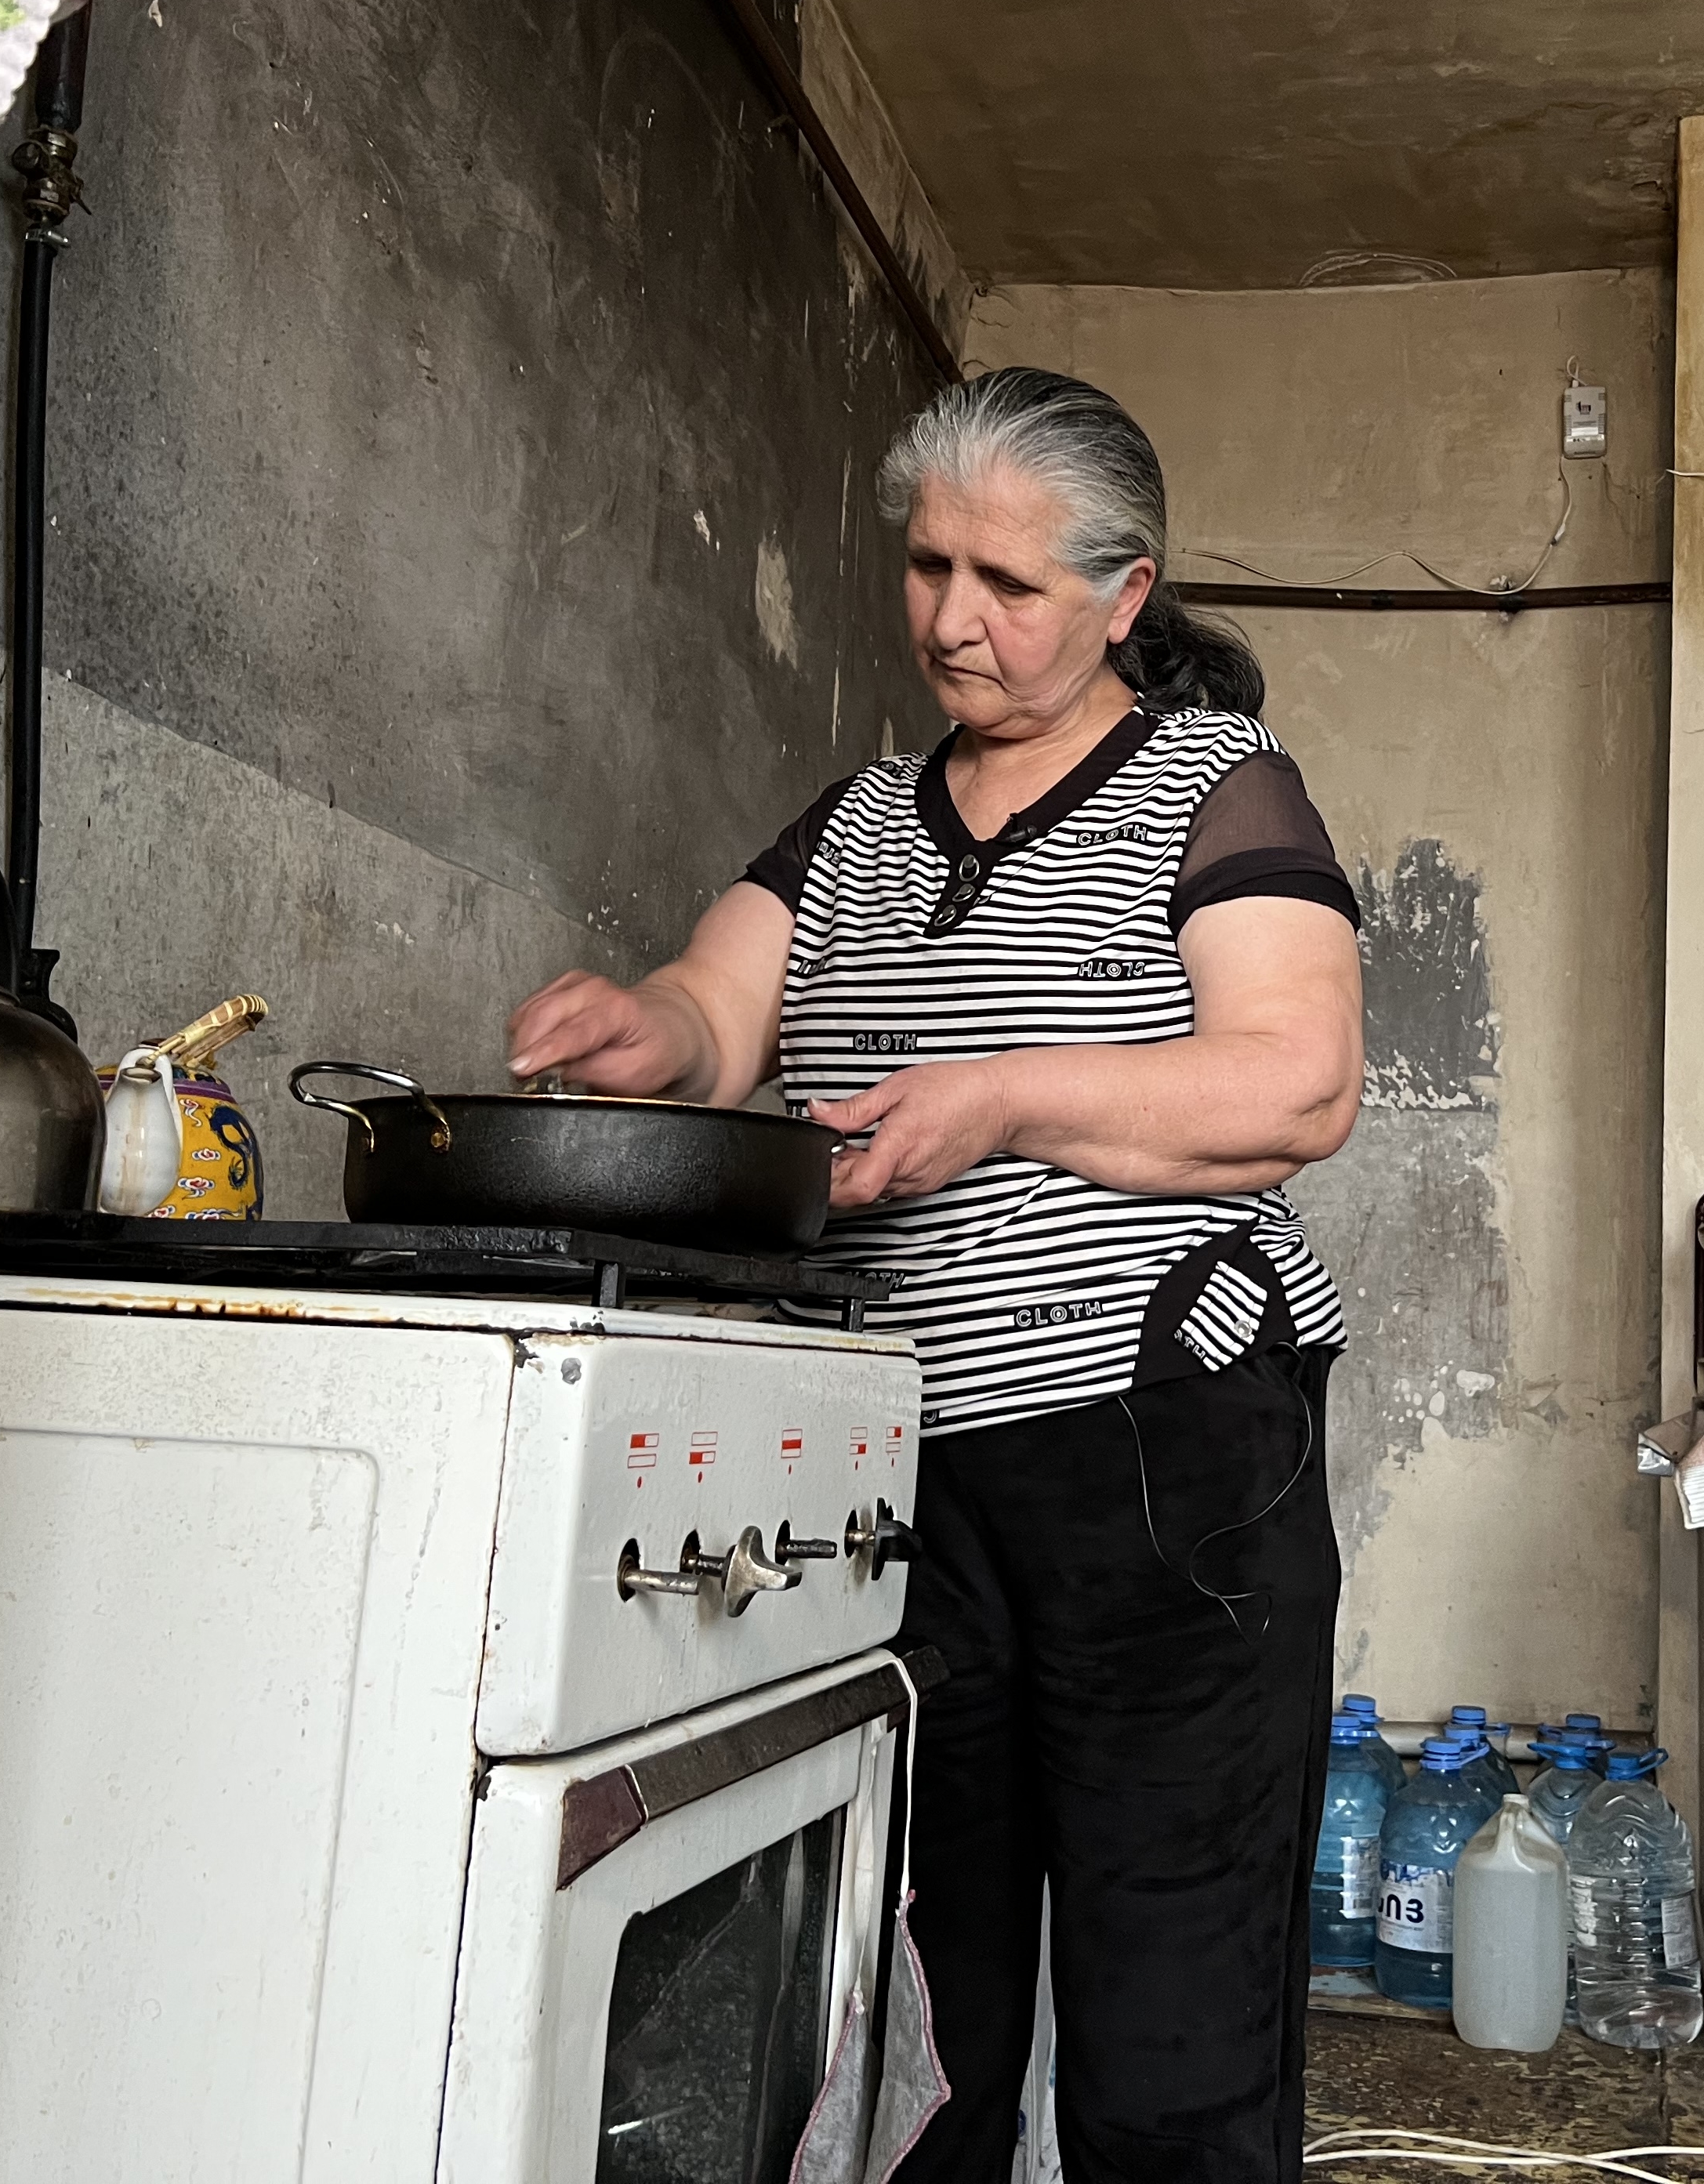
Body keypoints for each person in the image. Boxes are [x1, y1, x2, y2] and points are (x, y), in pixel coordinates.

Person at [507, 367, 1365, 2184]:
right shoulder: (860, 823)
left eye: (1011, 583)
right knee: (917, 1987)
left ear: (1126, 597)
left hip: (1162, 1455)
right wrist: (643, 1033)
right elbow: (715, 1015)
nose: (953, 619)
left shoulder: (1218, 787)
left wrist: (1000, 1100)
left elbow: (1296, 1083)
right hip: (897, 1476)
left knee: (1171, 1998)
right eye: (925, 568)